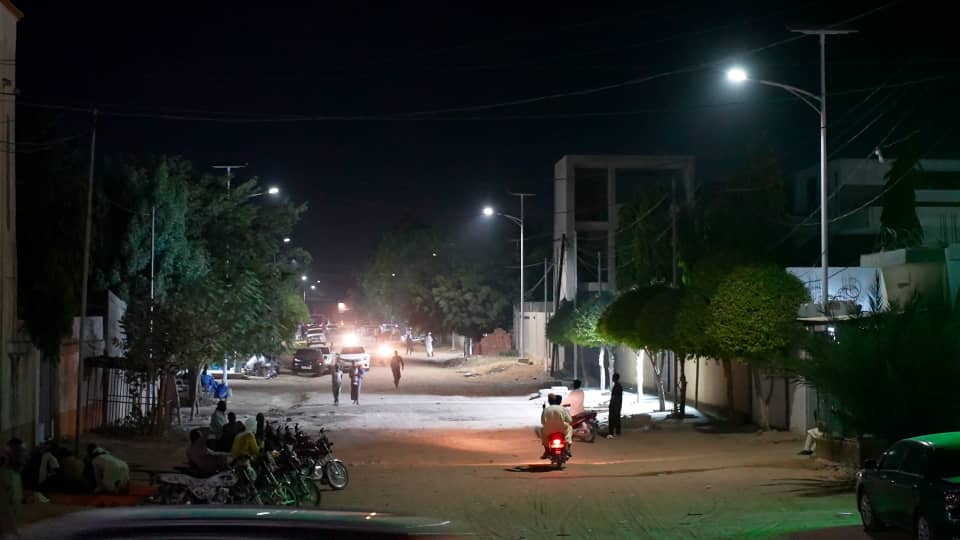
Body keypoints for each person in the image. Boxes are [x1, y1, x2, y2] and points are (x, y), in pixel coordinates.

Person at [538, 394, 573, 459]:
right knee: (570, 428)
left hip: (549, 429)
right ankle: (568, 447)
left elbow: (542, 422)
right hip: (562, 428)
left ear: (549, 401)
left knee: (543, 432)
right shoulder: (563, 409)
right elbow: (570, 420)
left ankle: (547, 450)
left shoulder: (546, 410)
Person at [0, 452, 21, 540]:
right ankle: (16, 533)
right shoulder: (7, 473)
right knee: (9, 517)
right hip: (5, 499)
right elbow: (9, 486)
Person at [607, 373, 623, 439]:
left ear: (615, 378)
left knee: (612, 419)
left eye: (613, 377)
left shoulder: (617, 386)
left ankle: (611, 433)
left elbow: (614, 397)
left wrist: (611, 404)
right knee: (617, 418)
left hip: (614, 405)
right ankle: (618, 431)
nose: (612, 378)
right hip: (618, 405)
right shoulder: (619, 386)